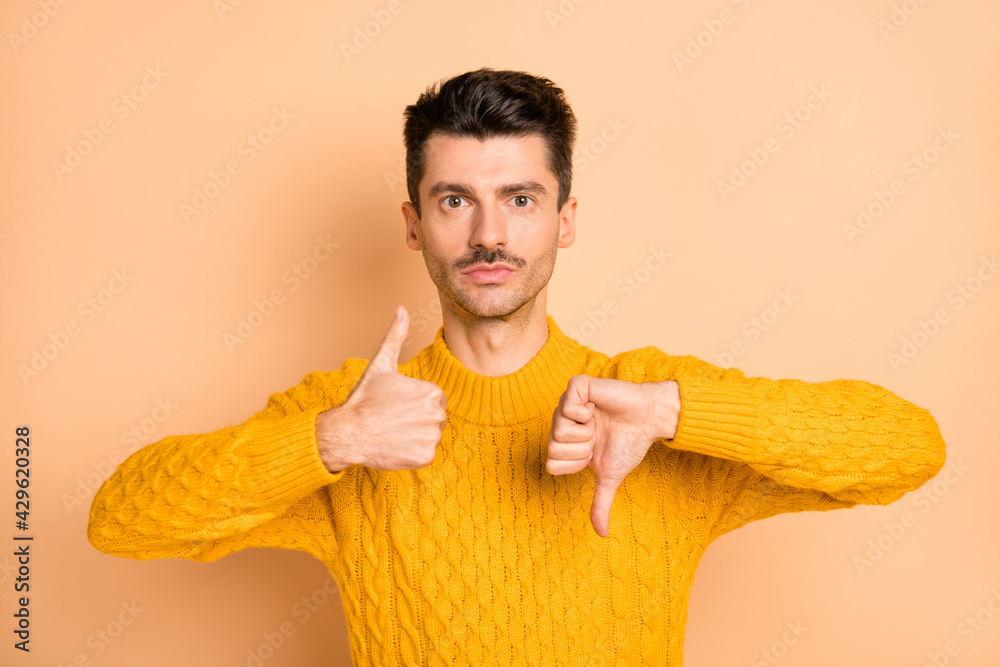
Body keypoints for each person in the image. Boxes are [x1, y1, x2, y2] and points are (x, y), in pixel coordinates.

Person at [87, 67, 947, 665]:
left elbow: (909, 446)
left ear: (565, 219)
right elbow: (119, 517)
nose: (489, 234)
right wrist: (330, 438)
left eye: (521, 199)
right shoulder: (353, 417)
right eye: (455, 200)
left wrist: (675, 413)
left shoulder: (640, 398)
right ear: (414, 223)